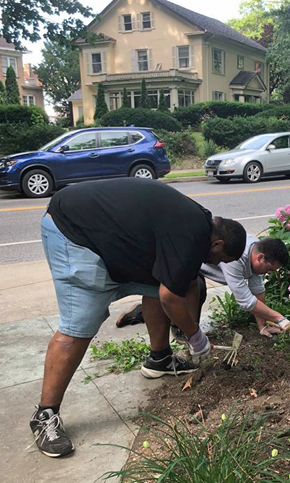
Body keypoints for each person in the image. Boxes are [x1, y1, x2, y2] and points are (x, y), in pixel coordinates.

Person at [30, 178, 246, 458]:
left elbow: (184, 281)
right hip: (74, 230)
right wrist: (196, 337)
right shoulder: (192, 235)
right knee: (79, 325)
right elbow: (171, 296)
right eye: (221, 259)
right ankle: (45, 414)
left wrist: (191, 331)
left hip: (103, 228)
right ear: (217, 243)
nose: (216, 265)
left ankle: (160, 358)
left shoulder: (200, 223)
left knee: (157, 287)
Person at [116, 235, 290, 338]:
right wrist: (281, 319)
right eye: (270, 269)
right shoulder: (238, 257)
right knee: (196, 293)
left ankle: (143, 312)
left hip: (198, 270)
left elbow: (257, 292)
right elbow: (246, 302)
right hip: (188, 268)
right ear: (260, 258)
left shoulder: (259, 250)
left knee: (190, 298)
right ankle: (177, 328)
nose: (268, 273)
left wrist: (262, 326)